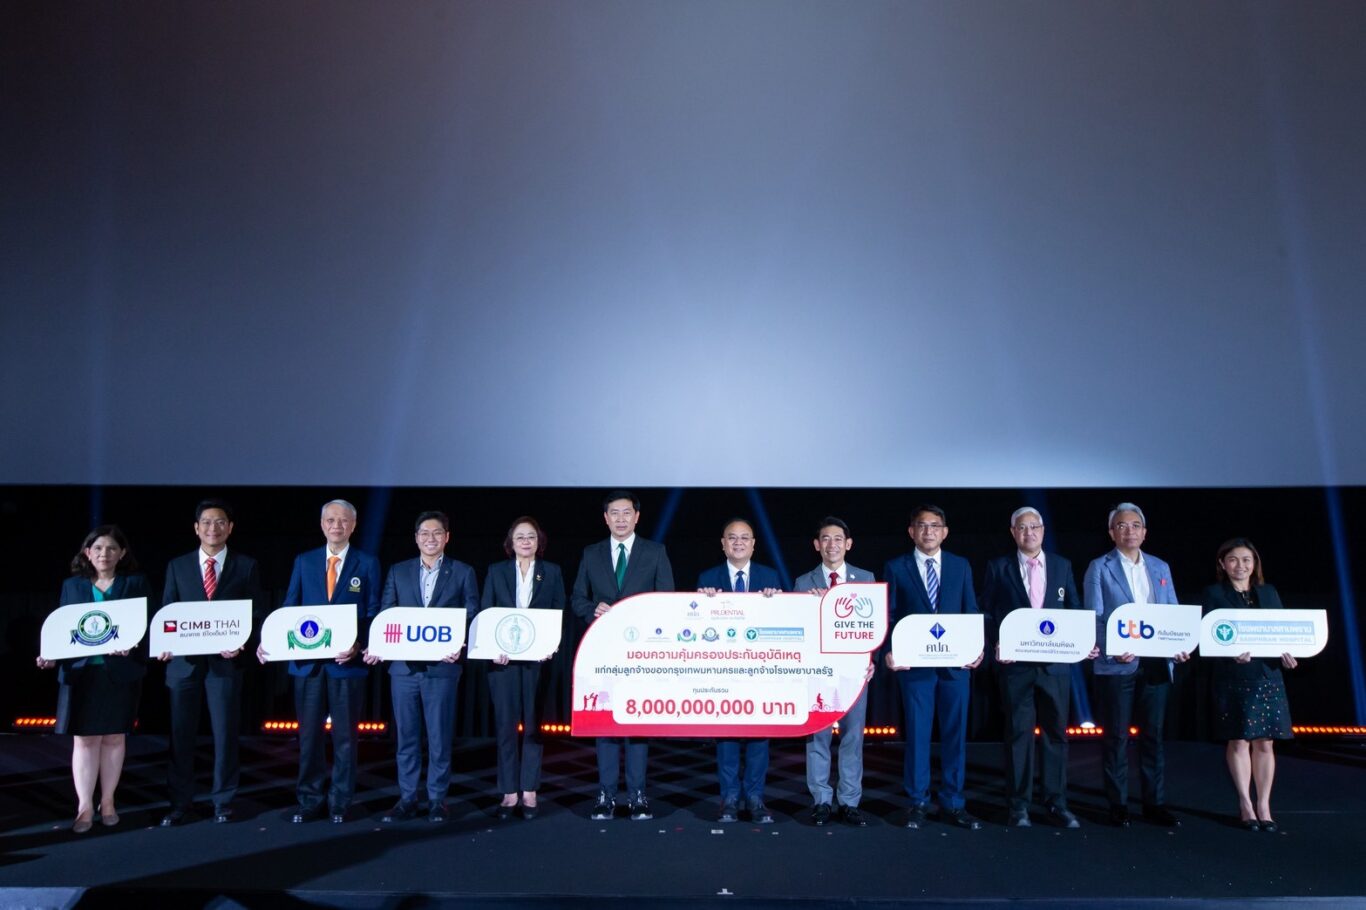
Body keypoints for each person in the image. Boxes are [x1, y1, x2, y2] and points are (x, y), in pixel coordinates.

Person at [259, 499, 380, 824]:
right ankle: (309, 800)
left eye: (343, 520)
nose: (336, 525)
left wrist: (359, 644)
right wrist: (271, 641)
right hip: (308, 665)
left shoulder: (367, 563)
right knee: (309, 737)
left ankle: (340, 801)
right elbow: (290, 607)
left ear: (353, 525)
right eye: (330, 520)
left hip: (346, 666)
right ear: (322, 524)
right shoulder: (304, 561)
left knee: (345, 738)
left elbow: (373, 611)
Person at [980, 507, 1095, 828]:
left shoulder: (1061, 565)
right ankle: (1018, 805)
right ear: (1013, 532)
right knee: (1019, 734)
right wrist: (997, 642)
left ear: (1043, 531)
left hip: (1055, 666)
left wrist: (1085, 641)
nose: (1028, 532)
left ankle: (1056, 803)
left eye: (1034, 527)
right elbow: (987, 611)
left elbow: (1074, 608)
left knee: (1056, 734)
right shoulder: (998, 567)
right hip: (1016, 667)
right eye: (1022, 527)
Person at [364, 511, 476, 823]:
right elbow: (386, 613)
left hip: (442, 670)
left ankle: (437, 799)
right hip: (403, 670)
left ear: (447, 537)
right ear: (416, 538)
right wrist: (379, 645)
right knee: (407, 739)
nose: (431, 538)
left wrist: (459, 645)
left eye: (437, 533)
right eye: (424, 533)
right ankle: (407, 798)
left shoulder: (463, 572)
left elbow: (470, 614)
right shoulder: (398, 571)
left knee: (439, 738)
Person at [36, 525, 149, 833]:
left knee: (114, 738)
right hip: (82, 673)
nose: (104, 554)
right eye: (98, 548)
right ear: (87, 552)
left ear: (122, 553)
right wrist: (50, 655)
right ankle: (84, 806)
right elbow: (62, 628)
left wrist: (133, 645)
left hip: (119, 673)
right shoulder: (72, 586)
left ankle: (108, 801)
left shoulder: (135, 583)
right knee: (84, 740)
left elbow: (145, 626)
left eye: (111, 548)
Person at [1084, 502, 1190, 828]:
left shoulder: (1160, 567)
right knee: (1116, 736)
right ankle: (1118, 804)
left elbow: (1173, 612)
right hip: (1118, 665)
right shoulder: (1099, 567)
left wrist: (1179, 646)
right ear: (1111, 533)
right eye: (1121, 525)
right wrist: (1113, 649)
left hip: (1156, 664)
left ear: (1144, 532)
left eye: (1135, 525)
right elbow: (1094, 617)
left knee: (1153, 737)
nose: (1129, 531)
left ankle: (1154, 803)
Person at [159, 499, 263, 827]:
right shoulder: (177, 566)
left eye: (220, 522)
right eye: (206, 522)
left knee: (225, 734)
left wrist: (243, 642)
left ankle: (223, 801)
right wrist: (164, 644)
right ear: (196, 528)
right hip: (184, 665)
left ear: (230, 528)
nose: (212, 528)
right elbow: (167, 611)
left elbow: (255, 613)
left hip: (225, 665)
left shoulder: (246, 566)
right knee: (180, 735)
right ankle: (179, 804)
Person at [571, 490, 674, 821]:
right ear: (605, 518)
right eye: (614, 513)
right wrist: (592, 609)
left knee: (637, 722)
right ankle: (606, 794)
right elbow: (577, 598)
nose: (620, 518)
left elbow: (667, 599)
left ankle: (638, 795)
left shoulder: (655, 552)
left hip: (641, 653)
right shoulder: (591, 553)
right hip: (602, 650)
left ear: (637, 516)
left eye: (626, 512)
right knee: (605, 722)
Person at [883, 505, 984, 830]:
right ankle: (918, 803)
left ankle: (954, 803)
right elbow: (889, 615)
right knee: (917, 736)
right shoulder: (896, 567)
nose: (928, 531)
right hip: (915, 668)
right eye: (922, 526)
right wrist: (889, 651)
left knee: (955, 736)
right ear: (911, 531)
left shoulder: (960, 565)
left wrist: (977, 649)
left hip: (955, 667)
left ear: (945, 531)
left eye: (935, 526)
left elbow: (971, 610)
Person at [1201, 538, 1295, 832]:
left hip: (1267, 675)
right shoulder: (1214, 593)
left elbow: (1283, 631)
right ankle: (1245, 804)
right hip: (1233, 676)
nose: (1240, 565)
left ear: (1255, 564)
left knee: (1265, 742)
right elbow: (1207, 636)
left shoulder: (1268, 592)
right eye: (1233, 559)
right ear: (1222, 563)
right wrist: (1229, 653)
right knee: (1239, 739)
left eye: (1246, 560)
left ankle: (1264, 806)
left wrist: (1289, 654)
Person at [696, 518, 786, 824]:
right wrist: (701, 602)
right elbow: (694, 624)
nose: (738, 543)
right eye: (732, 538)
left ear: (753, 544)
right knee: (727, 737)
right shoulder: (708, 578)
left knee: (760, 735)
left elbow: (783, 622)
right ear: (723, 544)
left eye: (744, 538)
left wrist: (777, 602)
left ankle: (755, 798)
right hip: (723, 671)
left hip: (760, 670)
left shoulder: (770, 577)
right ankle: (730, 798)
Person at [792, 517, 876, 827]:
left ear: (848, 544)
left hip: (854, 673)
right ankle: (821, 801)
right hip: (818, 674)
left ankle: (850, 802)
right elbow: (798, 629)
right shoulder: (804, 582)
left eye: (838, 539)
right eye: (825, 539)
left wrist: (871, 659)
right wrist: (811, 606)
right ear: (817, 545)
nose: (832, 544)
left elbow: (874, 624)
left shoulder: (865, 578)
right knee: (818, 738)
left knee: (853, 737)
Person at [481, 516, 566, 820]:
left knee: (533, 726)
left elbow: (558, 612)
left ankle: (529, 790)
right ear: (511, 542)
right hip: (502, 662)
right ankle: (508, 792)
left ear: (538, 541)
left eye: (531, 536)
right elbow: (487, 611)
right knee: (506, 726)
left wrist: (550, 645)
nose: (526, 541)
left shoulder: (552, 572)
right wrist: (492, 649)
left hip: (537, 662)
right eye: (520, 537)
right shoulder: (496, 571)